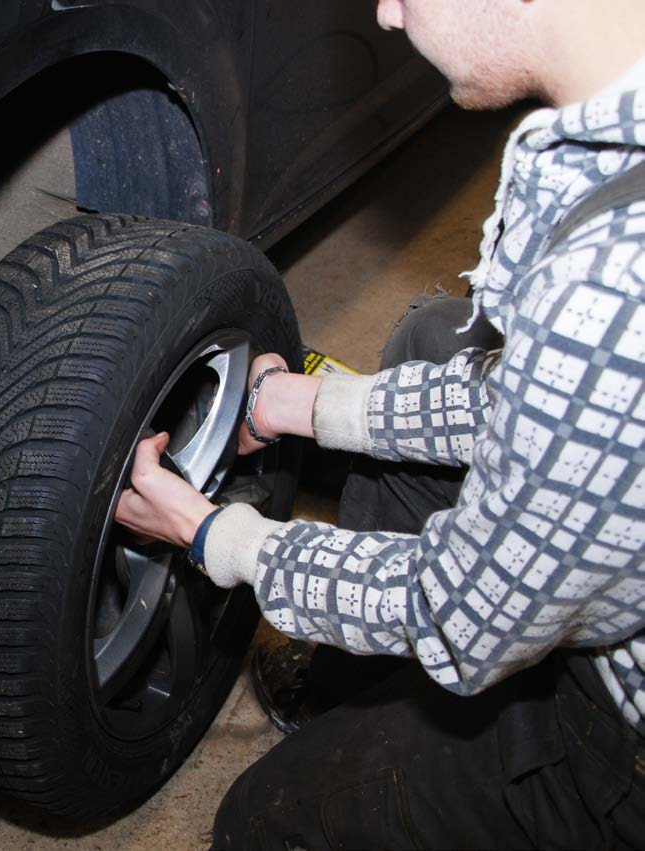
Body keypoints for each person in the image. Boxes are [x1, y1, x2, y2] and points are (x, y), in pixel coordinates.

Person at [116, 0, 645, 847]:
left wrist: (214, 533)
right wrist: (304, 406)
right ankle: (358, 692)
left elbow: (458, 615)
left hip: (621, 745)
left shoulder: (613, 283)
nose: (387, 15)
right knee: (432, 336)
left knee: (268, 822)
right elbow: (536, 405)